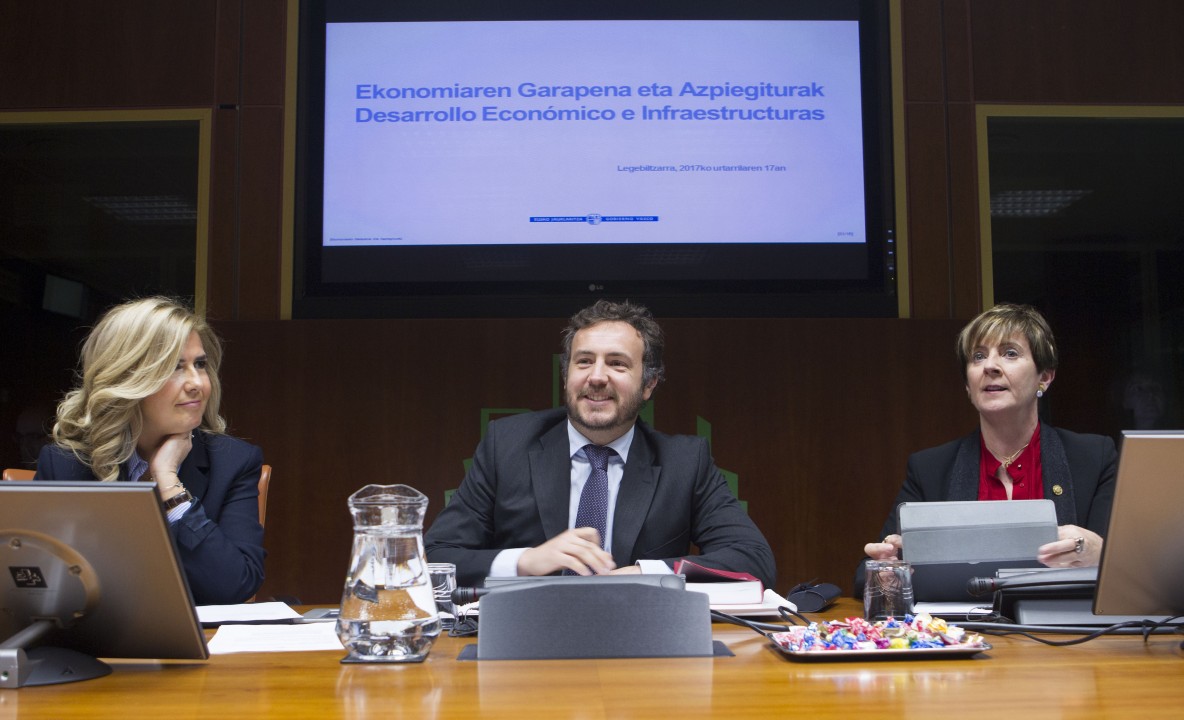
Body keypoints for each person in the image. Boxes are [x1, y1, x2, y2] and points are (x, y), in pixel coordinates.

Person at [425, 299, 777, 589]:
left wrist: (644, 574)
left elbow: (753, 559)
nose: (596, 377)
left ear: (649, 384)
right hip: (524, 632)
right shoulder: (507, 446)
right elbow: (436, 556)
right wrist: (526, 561)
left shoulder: (684, 462)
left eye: (617, 364)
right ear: (566, 375)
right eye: (584, 362)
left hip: (640, 636)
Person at [860, 303, 1116, 587]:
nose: (990, 366)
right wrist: (887, 573)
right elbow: (865, 574)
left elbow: (1135, 570)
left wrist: (1101, 554)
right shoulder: (930, 469)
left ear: (1044, 377)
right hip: (965, 614)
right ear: (968, 386)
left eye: (1010, 353)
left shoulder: (1093, 458)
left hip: (1059, 615)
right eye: (978, 356)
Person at [35, 297, 265, 605]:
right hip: (98, 632)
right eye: (175, 367)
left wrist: (169, 485)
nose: (197, 383)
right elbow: (39, 584)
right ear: (126, 377)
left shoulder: (234, 462)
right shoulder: (66, 463)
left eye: (199, 364)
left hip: (196, 636)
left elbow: (236, 585)